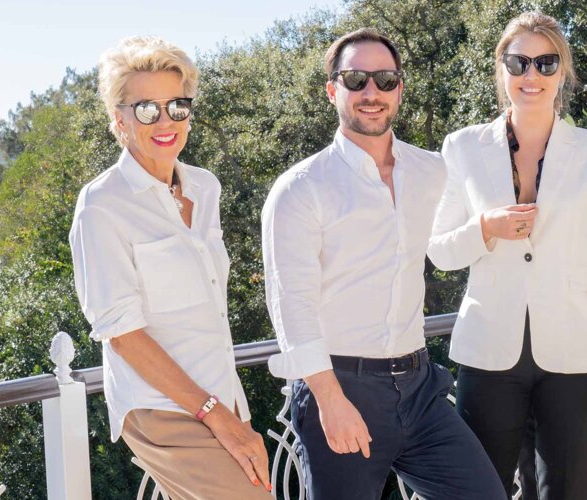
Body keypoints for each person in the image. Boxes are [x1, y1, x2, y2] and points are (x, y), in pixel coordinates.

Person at [262, 28, 506, 500]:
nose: (371, 93)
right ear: (333, 90)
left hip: (420, 389)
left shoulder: (431, 171)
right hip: (341, 388)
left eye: (385, 79)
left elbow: (451, 239)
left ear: (400, 89)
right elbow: (292, 304)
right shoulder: (301, 188)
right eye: (356, 80)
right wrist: (330, 400)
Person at [427, 11, 587, 498]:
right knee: (481, 489)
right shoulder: (461, 147)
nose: (531, 76)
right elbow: (439, 251)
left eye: (545, 63)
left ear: (562, 71)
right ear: (501, 69)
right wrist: (486, 228)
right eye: (518, 62)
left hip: (575, 354)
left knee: (567, 489)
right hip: (488, 352)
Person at [69, 36, 272, 499]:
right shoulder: (101, 206)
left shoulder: (205, 187)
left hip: (221, 395)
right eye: (146, 109)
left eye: (177, 106)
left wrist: (226, 410)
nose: (165, 122)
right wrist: (213, 414)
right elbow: (122, 334)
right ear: (118, 120)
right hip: (164, 407)